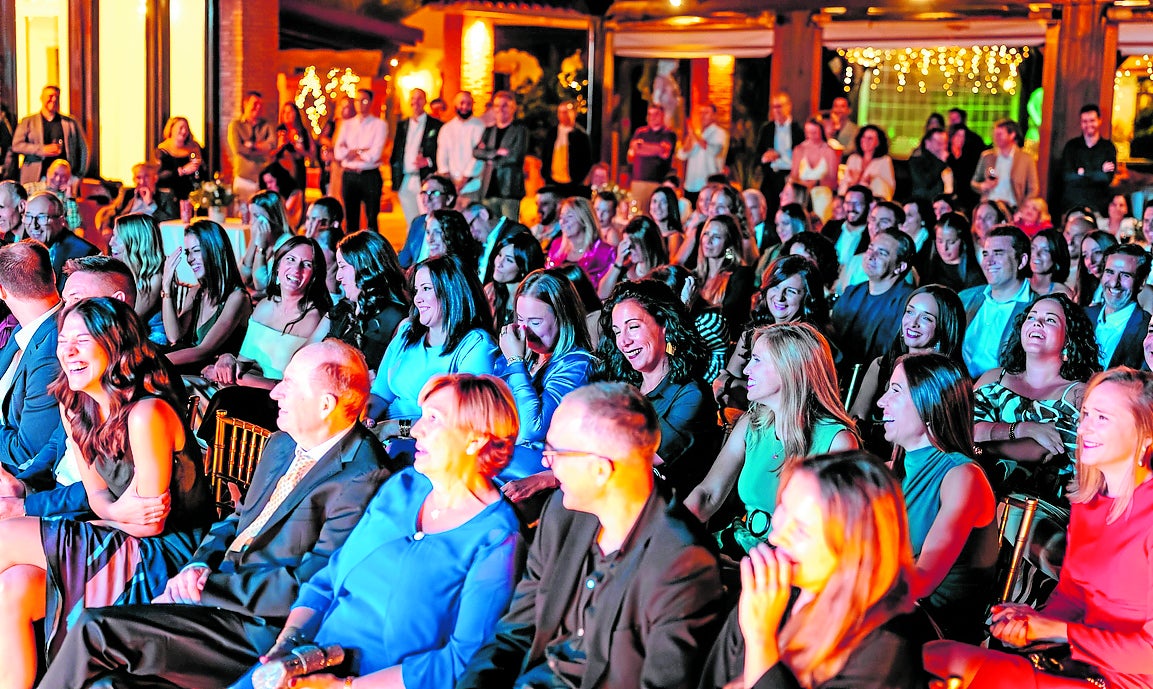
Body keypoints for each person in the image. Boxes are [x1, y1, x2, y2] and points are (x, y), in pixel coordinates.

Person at [38, 341, 395, 689]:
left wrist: (206, 588)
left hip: (259, 629)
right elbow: (237, 519)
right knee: (106, 681)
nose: (274, 393)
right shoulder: (283, 442)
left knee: (93, 628)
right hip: (215, 595)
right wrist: (197, 566)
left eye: (288, 384)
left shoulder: (363, 477)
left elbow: (310, 583)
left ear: (325, 405)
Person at [230, 374, 522, 689]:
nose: (417, 429)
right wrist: (286, 646)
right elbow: (328, 579)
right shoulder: (403, 487)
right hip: (310, 661)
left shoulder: (497, 538)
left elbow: (461, 659)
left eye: (434, 419)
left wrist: (345, 687)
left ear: (475, 440)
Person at [0, 297, 213, 688]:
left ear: (114, 344)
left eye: (83, 340)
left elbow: (149, 524)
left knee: (4, 535)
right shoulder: (74, 405)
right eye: (63, 341)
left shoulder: (148, 413)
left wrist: (111, 514)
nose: (69, 352)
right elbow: (98, 497)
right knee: (13, 588)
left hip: (167, 555)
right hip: (119, 534)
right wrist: (114, 513)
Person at [456, 382, 724, 689]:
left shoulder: (683, 564)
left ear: (599, 469)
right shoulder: (563, 514)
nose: (545, 462)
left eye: (555, 452)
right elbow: (514, 634)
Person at [925, 367, 1153, 689]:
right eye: (1085, 413)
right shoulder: (1089, 502)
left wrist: (1054, 631)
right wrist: (1032, 623)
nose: (1084, 427)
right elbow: (1072, 596)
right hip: (1074, 660)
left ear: (1144, 434)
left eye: (1102, 418)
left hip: (1126, 679)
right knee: (935, 656)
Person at [697, 452, 923, 689]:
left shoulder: (885, 646)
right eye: (782, 512)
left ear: (854, 549)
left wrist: (760, 639)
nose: (775, 536)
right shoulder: (777, 594)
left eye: (801, 530)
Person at [687, 323, 858, 555]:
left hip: (786, 568)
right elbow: (708, 495)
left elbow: (829, 540)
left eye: (757, 360)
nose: (746, 371)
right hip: (737, 545)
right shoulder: (753, 423)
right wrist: (666, 533)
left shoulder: (837, 441)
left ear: (789, 369)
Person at [878, 353, 997, 642]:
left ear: (929, 405)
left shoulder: (963, 477)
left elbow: (921, 582)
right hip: (891, 613)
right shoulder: (891, 470)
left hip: (934, 631)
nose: (881, 402)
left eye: (895, 391)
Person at [595, 280, 721, 496]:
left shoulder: (691, 394)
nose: (623, 341)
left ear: (664, 326)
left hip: (666, 514)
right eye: (617, 331)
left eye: (633, 327)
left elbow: (641, 456)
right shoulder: (626, 386)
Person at [973, 294, 1099, 501]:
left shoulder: (1081, 395)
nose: (1037, 323)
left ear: (1068, 338)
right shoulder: (994, 378)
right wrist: (1024, 429)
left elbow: (1037, 452)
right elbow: (956, 425)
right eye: (1031, 317)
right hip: (977, 488)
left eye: (1050, 320)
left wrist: (977, 440)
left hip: (1040, 507)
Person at [368, 255, 498, 440]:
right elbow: (380, 395)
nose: (417, 299)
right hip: (384, 436)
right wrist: (366, 417)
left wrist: (394, 428)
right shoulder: (406, 332)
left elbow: (460, 419)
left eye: (426, 289)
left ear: (451, 292)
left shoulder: (477, 345)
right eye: (416, 290)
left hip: (434, 444)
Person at [495, 270, 595, 481]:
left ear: (563, 318)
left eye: (535, 322)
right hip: (500, 456)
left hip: (533, 471)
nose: (525, 331)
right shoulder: (525, 354)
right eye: (520, 319)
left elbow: (531, 429)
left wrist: (515, 362)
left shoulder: (576, 364)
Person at [850, 285, 967, 453]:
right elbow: (855, 421)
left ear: (944, 327)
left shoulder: (948, 379)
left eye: (926, 318)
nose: (913, 323)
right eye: (910, 312)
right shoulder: (880, 366)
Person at [715, 255, 831, 413]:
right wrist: (729, 385)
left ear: (807, 297)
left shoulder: (807, 342)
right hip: (746, 414)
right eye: (775, 286)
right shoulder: (751, 334)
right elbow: (725, 384)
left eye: (790, 291)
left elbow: (783, 395)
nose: (779, 297)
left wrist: (731, 383)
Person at [0, 241, 63, 491]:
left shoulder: (52, 351)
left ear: (2, 292)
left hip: (21, 480)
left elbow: (26, 450)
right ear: (53, 276)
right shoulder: (25, 328)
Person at [161, 219, 252, 371]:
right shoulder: (196, 292)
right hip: (191, 372)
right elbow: (174, 336)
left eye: (196, 250)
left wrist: (153, 362)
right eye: (188, 252)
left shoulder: (238, 298)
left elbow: (204, 350)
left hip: (215, 380)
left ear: (215, 250)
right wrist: (166, 288)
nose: (190, 259)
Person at [831, 228, 917, 371]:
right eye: (870, 248)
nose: (871, 255)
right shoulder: (852, 293)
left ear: (900, 267)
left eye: (882, 253)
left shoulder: (908, 303)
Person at [324, 230, 408, 373]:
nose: (338, 277)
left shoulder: (397, 320)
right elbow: (306, 352)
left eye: (343, 267)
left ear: (364, 267)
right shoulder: (342, 309)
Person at [960, 225, 1036, 378]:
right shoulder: (965, 299)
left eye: (998, 254)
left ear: (1022, 261)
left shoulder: (1036, 308)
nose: (988, 262)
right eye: (986, 254)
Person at [648, 264, 729, 384]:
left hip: (703, 392)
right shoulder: (661, 323)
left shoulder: (710, 322)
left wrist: (684, 306)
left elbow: (674, 358)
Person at [1086, 243, 1151, 369]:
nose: (1114, 283)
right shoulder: (1083, 316)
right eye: (1110, 272)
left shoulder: (1147, 332)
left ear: (1142, 282)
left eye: (1125, 275)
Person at [332, 87, 387, 233]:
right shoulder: (347, 124)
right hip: (349, 175)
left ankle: (373, 252)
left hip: (370, 175)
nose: (360, 104)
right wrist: (363, 150)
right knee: (350, 219)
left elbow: (375, 154)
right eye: (357, 100)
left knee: (372, 218)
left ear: (370, 102)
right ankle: (352, 252)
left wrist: (352, 151)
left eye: (364, 100)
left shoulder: (379, 125)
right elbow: (338, 152)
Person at [9, 85, 89, 184]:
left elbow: (83, 149)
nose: (54, 99)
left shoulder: (70, 123)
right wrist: (41, 149)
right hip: (35, 179)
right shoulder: (28, 122)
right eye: (50, 96)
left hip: (64, 180)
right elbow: (16, 146)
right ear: (42, 98)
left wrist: (78, 175)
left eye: (57, 97)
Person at [109, 213, 168, 344]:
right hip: (128, 338)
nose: (110, 242)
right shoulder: (123, 271)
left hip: (151, 342)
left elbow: (131, 318)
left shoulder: (154, 277)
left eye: (117, 237)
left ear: (135, 242)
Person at [696, 214, 755, 339]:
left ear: (729, 243)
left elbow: (728, 315)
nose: (708, 240)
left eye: (716, 237)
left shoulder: (741, 275)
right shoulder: (695, 276)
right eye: (706, 234)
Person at [22, 190, 98, 285]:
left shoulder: (83, 254)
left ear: (61, 220)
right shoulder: (24, 247)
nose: (33, 225)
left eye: (42, 217)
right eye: (28, 216)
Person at [474, 91, 528, 222]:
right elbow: (476, 152)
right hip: (488, 189)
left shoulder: (520, 130)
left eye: (505, 105)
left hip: (509, 191)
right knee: (489, 229)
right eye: (497, 106)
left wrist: (490, 159)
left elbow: (516, 156)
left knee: (508, 231)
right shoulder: (488, 131)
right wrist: (496, 153)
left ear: (513, 108)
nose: (500, 109)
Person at [545, 196, 616, 286]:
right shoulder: (557, 245)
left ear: (584, 220)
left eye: (569, 216)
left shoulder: (604, 252)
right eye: (561, 217)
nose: (563, 222)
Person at [1060, 104, 1117, 215]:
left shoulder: (1108, 147)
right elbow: (1067, 177)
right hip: (1073, 206)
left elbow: (1107, 178)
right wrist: (1098, 171)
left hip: (1099, 207)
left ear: (1099, 121)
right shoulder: (1071, 146)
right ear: (1080, 123)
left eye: (1092, 120)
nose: (1088, 125)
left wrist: (1082, 173)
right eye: (1084, 121)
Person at [971, 119, 1039, 210]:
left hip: (1013, 208)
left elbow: (1033, 189)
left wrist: (1023, 208)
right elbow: (974, 182)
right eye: (995, 134)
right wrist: (982, 186)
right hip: (990, 206)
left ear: (1012, 135)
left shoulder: (1026, 159)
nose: (996, 138)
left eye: (1000, 135)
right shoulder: (987, 156)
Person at [755, 92, 804, 218]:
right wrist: (765, 157)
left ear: (788, 106)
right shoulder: (767, 129)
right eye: (774, 107)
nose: (776, 110)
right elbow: (757, 154)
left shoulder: (798, 129)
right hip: (772, 174)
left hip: (790, 175)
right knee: (768, 211)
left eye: (779, 106)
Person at [598, 214, 669, 299]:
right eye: (626, 243)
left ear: (648, 243)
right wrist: (618, 262)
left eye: (633, 244)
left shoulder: (665, 275)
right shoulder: (625, 269)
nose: (629, 248)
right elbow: (602, 294)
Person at [485, 230, 545, 328]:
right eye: (500, 255)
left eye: (509, 260)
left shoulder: (532, 301)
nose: (499, 263)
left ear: (523, 267)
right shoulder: (491, 292)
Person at [436, 91, 485, 207]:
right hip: (451, 186)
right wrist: (449, 179)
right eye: (461, 103)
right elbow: (442, 155)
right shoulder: (446, 129)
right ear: (455, 105)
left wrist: (463, 180)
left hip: (472, 185)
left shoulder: (480, 126)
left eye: (468, 104)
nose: (465, 107)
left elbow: (479, 156)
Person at [226, 91, 276, 203]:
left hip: (263, 179)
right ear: (245, 104)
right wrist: (261, 149)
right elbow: (238, 149)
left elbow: (272, 145)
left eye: (260, 105)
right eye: (255, 104)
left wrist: (251, 146)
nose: (258, 108)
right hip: (244, 179)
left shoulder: (267, 125)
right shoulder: (236, 126)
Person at [627, 103, 678, 212]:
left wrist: (643, 147)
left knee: (655, 213)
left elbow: (664, 152)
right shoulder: (640, 132)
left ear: (662, 115)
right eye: (650, 114)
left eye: (656, 114)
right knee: (636, 213)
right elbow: (634, 149)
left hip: (657, 182)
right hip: (638, 182)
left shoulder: (668, 134)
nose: (652, 117)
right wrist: (655, 149)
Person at [240, 190, 292, 295]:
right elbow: (242, 276)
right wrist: (253, 241)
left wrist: (261, 249)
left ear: (273, 217)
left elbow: (261, 285)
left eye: (257, 216)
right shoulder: (264, 239)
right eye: (251, 215)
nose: (252, 222)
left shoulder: (286, 244)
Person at [678, 102, 729, 206]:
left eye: (706, 113)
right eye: (701, 113)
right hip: (691, 184)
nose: (702, 116)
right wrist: (689, 139)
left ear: (714, 115)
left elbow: (713, 150)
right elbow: (682, 155)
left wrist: (694, 136)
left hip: (708, 184)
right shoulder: (696, 133)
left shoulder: (719, 133)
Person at [542, 99, 593, 199]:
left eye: (566, 112)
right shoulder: (552, 133)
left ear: (574, 113)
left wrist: (579, 178)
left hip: (572, 182)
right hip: (553, 180)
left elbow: (587, 159)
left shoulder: (581, 135)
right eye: (560, 112)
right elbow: (545, 154)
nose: (563, 115)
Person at [838, 124, 896, 201]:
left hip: (872, 199)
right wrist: (855, 180)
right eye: (863, 137)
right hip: (852, 197)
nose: (865, 141)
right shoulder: (853, 159)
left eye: (870, 138)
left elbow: (889, 187)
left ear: (878, 142)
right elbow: (845, 182)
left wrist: (871, 181)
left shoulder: (884, 160)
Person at [25, 159, 82, 232]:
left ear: (68, 179)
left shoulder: (66, 198)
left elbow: (74, 226)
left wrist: (70, 198)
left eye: (63, 176)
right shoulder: (29, 189)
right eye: (55, 174)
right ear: (48, 172)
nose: (58, 179)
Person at [156, 116, 205, 200]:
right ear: (171, 129)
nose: (184, 131)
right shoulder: (162, 151)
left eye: (186, 128)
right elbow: (160, 177)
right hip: (171, 196)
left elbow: (203, 173)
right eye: (181, 128)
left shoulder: (194, 147)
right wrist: (183, 170)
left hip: (192, 194)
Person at [946, 108, 987, 209]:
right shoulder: (946, 140)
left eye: (955, 118)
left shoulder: (974, 141)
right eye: (951, 118)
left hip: (969, 191)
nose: (952, 121)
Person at [275, 101, 314, 193]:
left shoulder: (303, 133)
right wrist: (280, 146)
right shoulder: (279, 131)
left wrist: (301, 151)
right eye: (284, 112)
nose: (287, 115)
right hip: (282, 172)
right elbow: (270, 153)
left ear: (296, 114)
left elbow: (312, 154)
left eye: (290, 112)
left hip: (298, 173)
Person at [909, 127, 954, 204]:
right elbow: (925, 183)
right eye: (939, 143)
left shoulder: (948, 161)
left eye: (945, 143)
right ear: (927, 143)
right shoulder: (916, 160)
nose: (943, 146)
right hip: (922, 204)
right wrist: (941, 162)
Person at [1028, 227, 1073, 298]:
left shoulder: (1063, 294)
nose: (1036, 254)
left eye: (1045, 250)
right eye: (1033, 248)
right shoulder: (1020, 285)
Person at [258, 162, 304, 231]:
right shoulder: (272, 196)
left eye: (271, 182)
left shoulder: (295, 194)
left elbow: (281, 214)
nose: (268, 186)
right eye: (266, 183)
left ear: (279, 180)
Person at [650, 185, 685, 258]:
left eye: (663, 202)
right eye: (654, 201)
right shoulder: (649, 232)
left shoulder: (675, 237)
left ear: (671, 205)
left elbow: (671, 266)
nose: (657, 206)